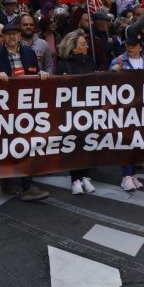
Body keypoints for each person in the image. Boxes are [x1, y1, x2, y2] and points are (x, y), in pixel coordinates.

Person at [109, 28, 144, 192]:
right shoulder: (118, 61)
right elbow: (106, 83)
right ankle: (126, 175)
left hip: (143, 109)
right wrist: (112, 73)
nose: (129, 48)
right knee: (126, 140)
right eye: (128, 45)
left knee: (138, 141)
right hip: (125, 109)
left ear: (140, 46)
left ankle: (132, 174)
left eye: (133, 45)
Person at [55, 30, 98, 195]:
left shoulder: (90, 62)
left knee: (88, 143)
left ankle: (86, 176)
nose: (86, 46)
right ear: (73, 48)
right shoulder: (63, 65)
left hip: (89, 109)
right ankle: (75, 179)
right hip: (71, 111)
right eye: (83, 44)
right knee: (74, 145)